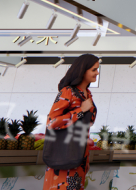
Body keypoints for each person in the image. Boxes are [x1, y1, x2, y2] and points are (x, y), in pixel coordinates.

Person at [44, 54, 100, 190]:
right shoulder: (67, 92)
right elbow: (51, 122)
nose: (97, 73)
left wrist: (86, 159)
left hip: (79, 157)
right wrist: (80, 110)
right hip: (63, 156)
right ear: (83, 70)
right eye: (94, 70)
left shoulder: (87, 94)